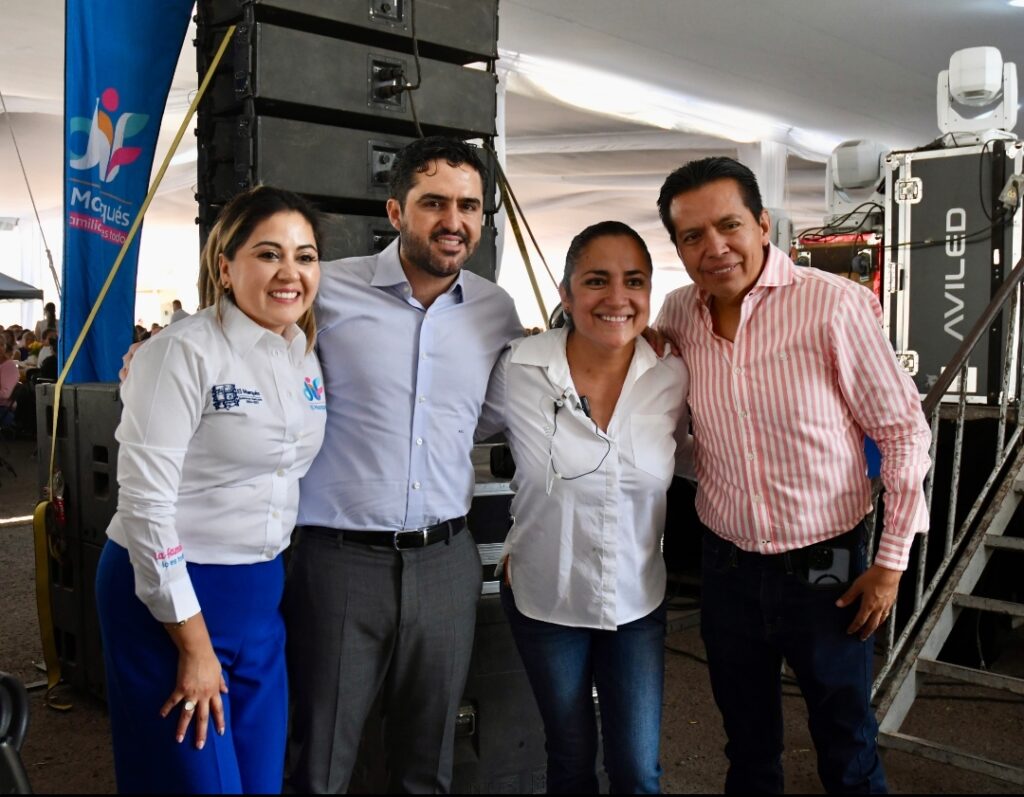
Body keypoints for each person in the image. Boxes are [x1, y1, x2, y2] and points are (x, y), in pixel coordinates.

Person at [655, 156, 931, 794]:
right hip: (727, 565)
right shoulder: (678, 314)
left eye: (729, 225)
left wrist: (890, 565)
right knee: (747, 745)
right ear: (678, 247)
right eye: (692, 236)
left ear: (762, 223)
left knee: (846, 738)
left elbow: (903, 433)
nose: (714, 247)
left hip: (825, 564)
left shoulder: (832, 305)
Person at [284, 136, 523, 794]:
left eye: (469, 206)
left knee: (428, 761)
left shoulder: (495, 309)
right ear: (396, 211)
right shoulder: (327, 289)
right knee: (320, 762)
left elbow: (486, 416)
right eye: (434, 202)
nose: (454, 221)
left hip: (445, 561)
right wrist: (161, 350)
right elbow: (244, 342)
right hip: (338, 563)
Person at [96, 186, 327, 794]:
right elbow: (145, 510)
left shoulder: (302, 354)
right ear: (225, 268)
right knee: (196, 782)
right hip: (169, 596)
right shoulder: (179, 353)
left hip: (258, 597)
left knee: (259, 781)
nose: (290, 272)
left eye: (305, 256)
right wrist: (193, 644)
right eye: (268, 254)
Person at [478, 221, 689, 793]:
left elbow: (702, 456)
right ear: (566, 295)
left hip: (635, 601)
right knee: (569, 756)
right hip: (545, 596)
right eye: (597, 281)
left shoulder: (673, 376)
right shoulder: (519, 369)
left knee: (637, 770)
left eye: (634, 281)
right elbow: (450, 430)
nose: (617, 297)